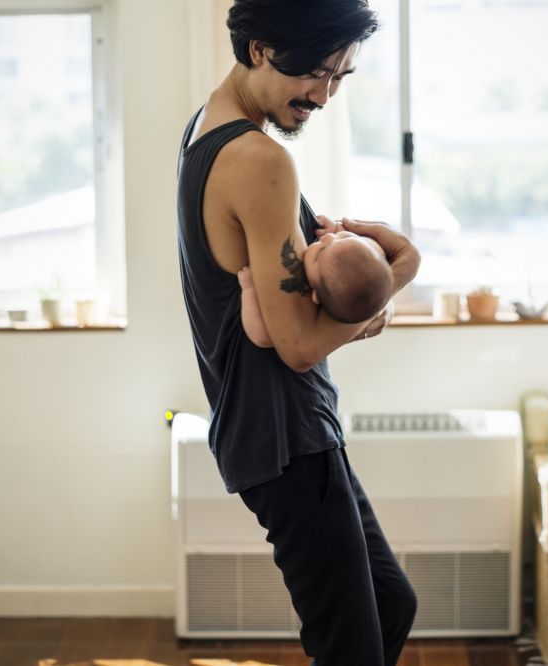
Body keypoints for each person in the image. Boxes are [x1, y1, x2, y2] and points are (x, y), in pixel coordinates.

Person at [175, 1, 421, 664]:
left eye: (340, 76)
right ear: (259, 49)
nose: (325, 93)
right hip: (284, 437)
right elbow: (301, 343)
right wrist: (398, 275)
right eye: (314, 71)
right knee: (350, 648)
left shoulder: (206, 128)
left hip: (292, 427)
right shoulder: (258, 160)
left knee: (393, 604)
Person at [238, 214, 394, 347]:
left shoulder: (308, 313)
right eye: (344, 237)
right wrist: (336, 228)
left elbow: (262, 336)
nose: (327, 238)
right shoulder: (334, 275)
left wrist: (249, 289)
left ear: (316, 295)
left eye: (320, 250)